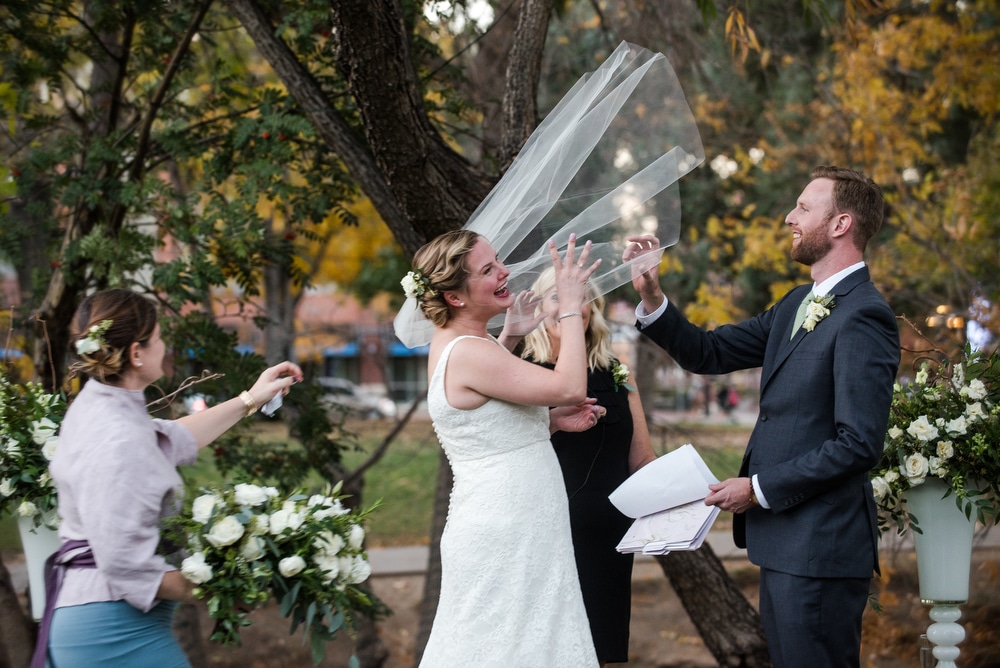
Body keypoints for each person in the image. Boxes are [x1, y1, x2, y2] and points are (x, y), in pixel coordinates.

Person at [623, 166, 900, 668]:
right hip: (785, 545)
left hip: (820, 547)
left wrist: (757, 487)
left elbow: (858, 443)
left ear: (840, 224)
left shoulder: (865, 315)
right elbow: (707, 353)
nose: (789, 216)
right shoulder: (797, 302)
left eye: (803, 208)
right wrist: (652, 298)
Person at [38, 289, 302, 668]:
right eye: (159, 337)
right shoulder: (117, 436)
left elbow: (170, 438)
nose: (165, 346)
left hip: (109, 621)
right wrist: (227, 588)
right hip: (112, 632)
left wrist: (252, 399)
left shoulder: (102, 407)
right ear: (136, 353)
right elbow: (124, 561)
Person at [408, 229, 603, 667]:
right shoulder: (470, 352)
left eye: (498, 261)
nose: (505, 272)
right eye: (488, 269)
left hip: (514, 521)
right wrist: (570, 308)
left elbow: (485, 423)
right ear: (455, 298)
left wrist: (546, 422)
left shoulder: (465, 346)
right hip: (506, 529)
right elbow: (570, 385)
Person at [518, 268, 656, 665]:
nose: (570, 307)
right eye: (558, 298)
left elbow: (641, 459)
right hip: (546, 532)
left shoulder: (618, 374)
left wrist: (680, 493)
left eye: (580, 298)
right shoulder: (519, 370)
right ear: (540, 309)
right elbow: (505, 445)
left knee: (601, 648)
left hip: (609, 537)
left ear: (593, 310)